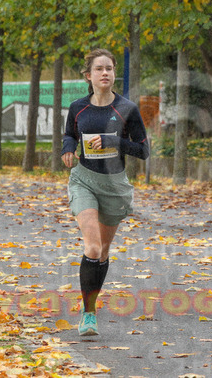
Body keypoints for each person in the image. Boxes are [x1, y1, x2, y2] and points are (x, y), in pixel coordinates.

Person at [62, 49, 150, 336]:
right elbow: (70, 134)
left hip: (114, 186)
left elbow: (143, 150)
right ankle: (88, 314)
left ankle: (92, 302)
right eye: (99, 69)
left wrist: (113, 141)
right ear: (88, 75)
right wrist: (67, 149)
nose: (105, 73)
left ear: (114, 74)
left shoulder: (127, 109)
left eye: (109, 68)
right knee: (93, 247)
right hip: (84, 181)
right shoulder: (77, 108)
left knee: (103, 252)